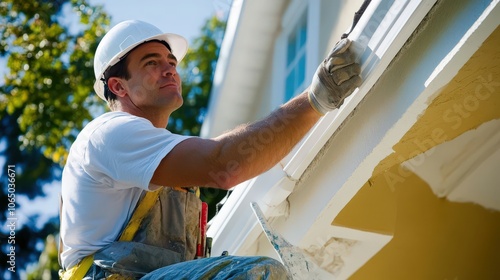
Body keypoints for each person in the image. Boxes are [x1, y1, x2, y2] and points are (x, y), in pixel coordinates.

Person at [58, 19, 361, 279]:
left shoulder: (159, 156)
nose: (169, 70)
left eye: (171, 62)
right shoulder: (110, 134)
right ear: (118, 87)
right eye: (152, 62)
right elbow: (224, 164)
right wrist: (316, 100)